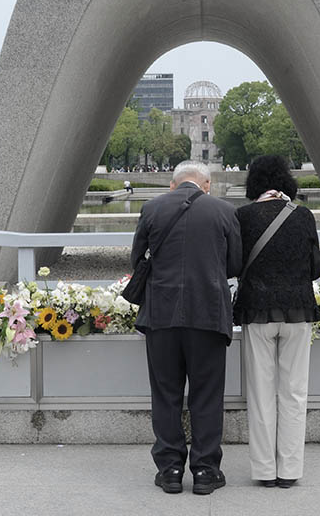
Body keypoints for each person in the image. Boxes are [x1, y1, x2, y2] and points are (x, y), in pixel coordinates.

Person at [130, 160, 242, 496]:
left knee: (166, 394)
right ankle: (206, 471)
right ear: (206, 184)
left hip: (161, 316)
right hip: (207, 315)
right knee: (207, 395)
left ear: (172, 185)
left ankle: (171, 470)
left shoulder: (152, 209)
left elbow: (138, 260)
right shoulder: (224, 211)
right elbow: (235, 264)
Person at [234, 155, 320, 489]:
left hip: (257, 310)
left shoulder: (242, 216)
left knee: (261, 393)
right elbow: (315, 267)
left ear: (253, 183)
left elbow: (235, 264)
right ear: (286, 181)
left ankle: (264, 471)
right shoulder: (303, 216)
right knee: (295, 392)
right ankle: (289, 470)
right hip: (298, 310)